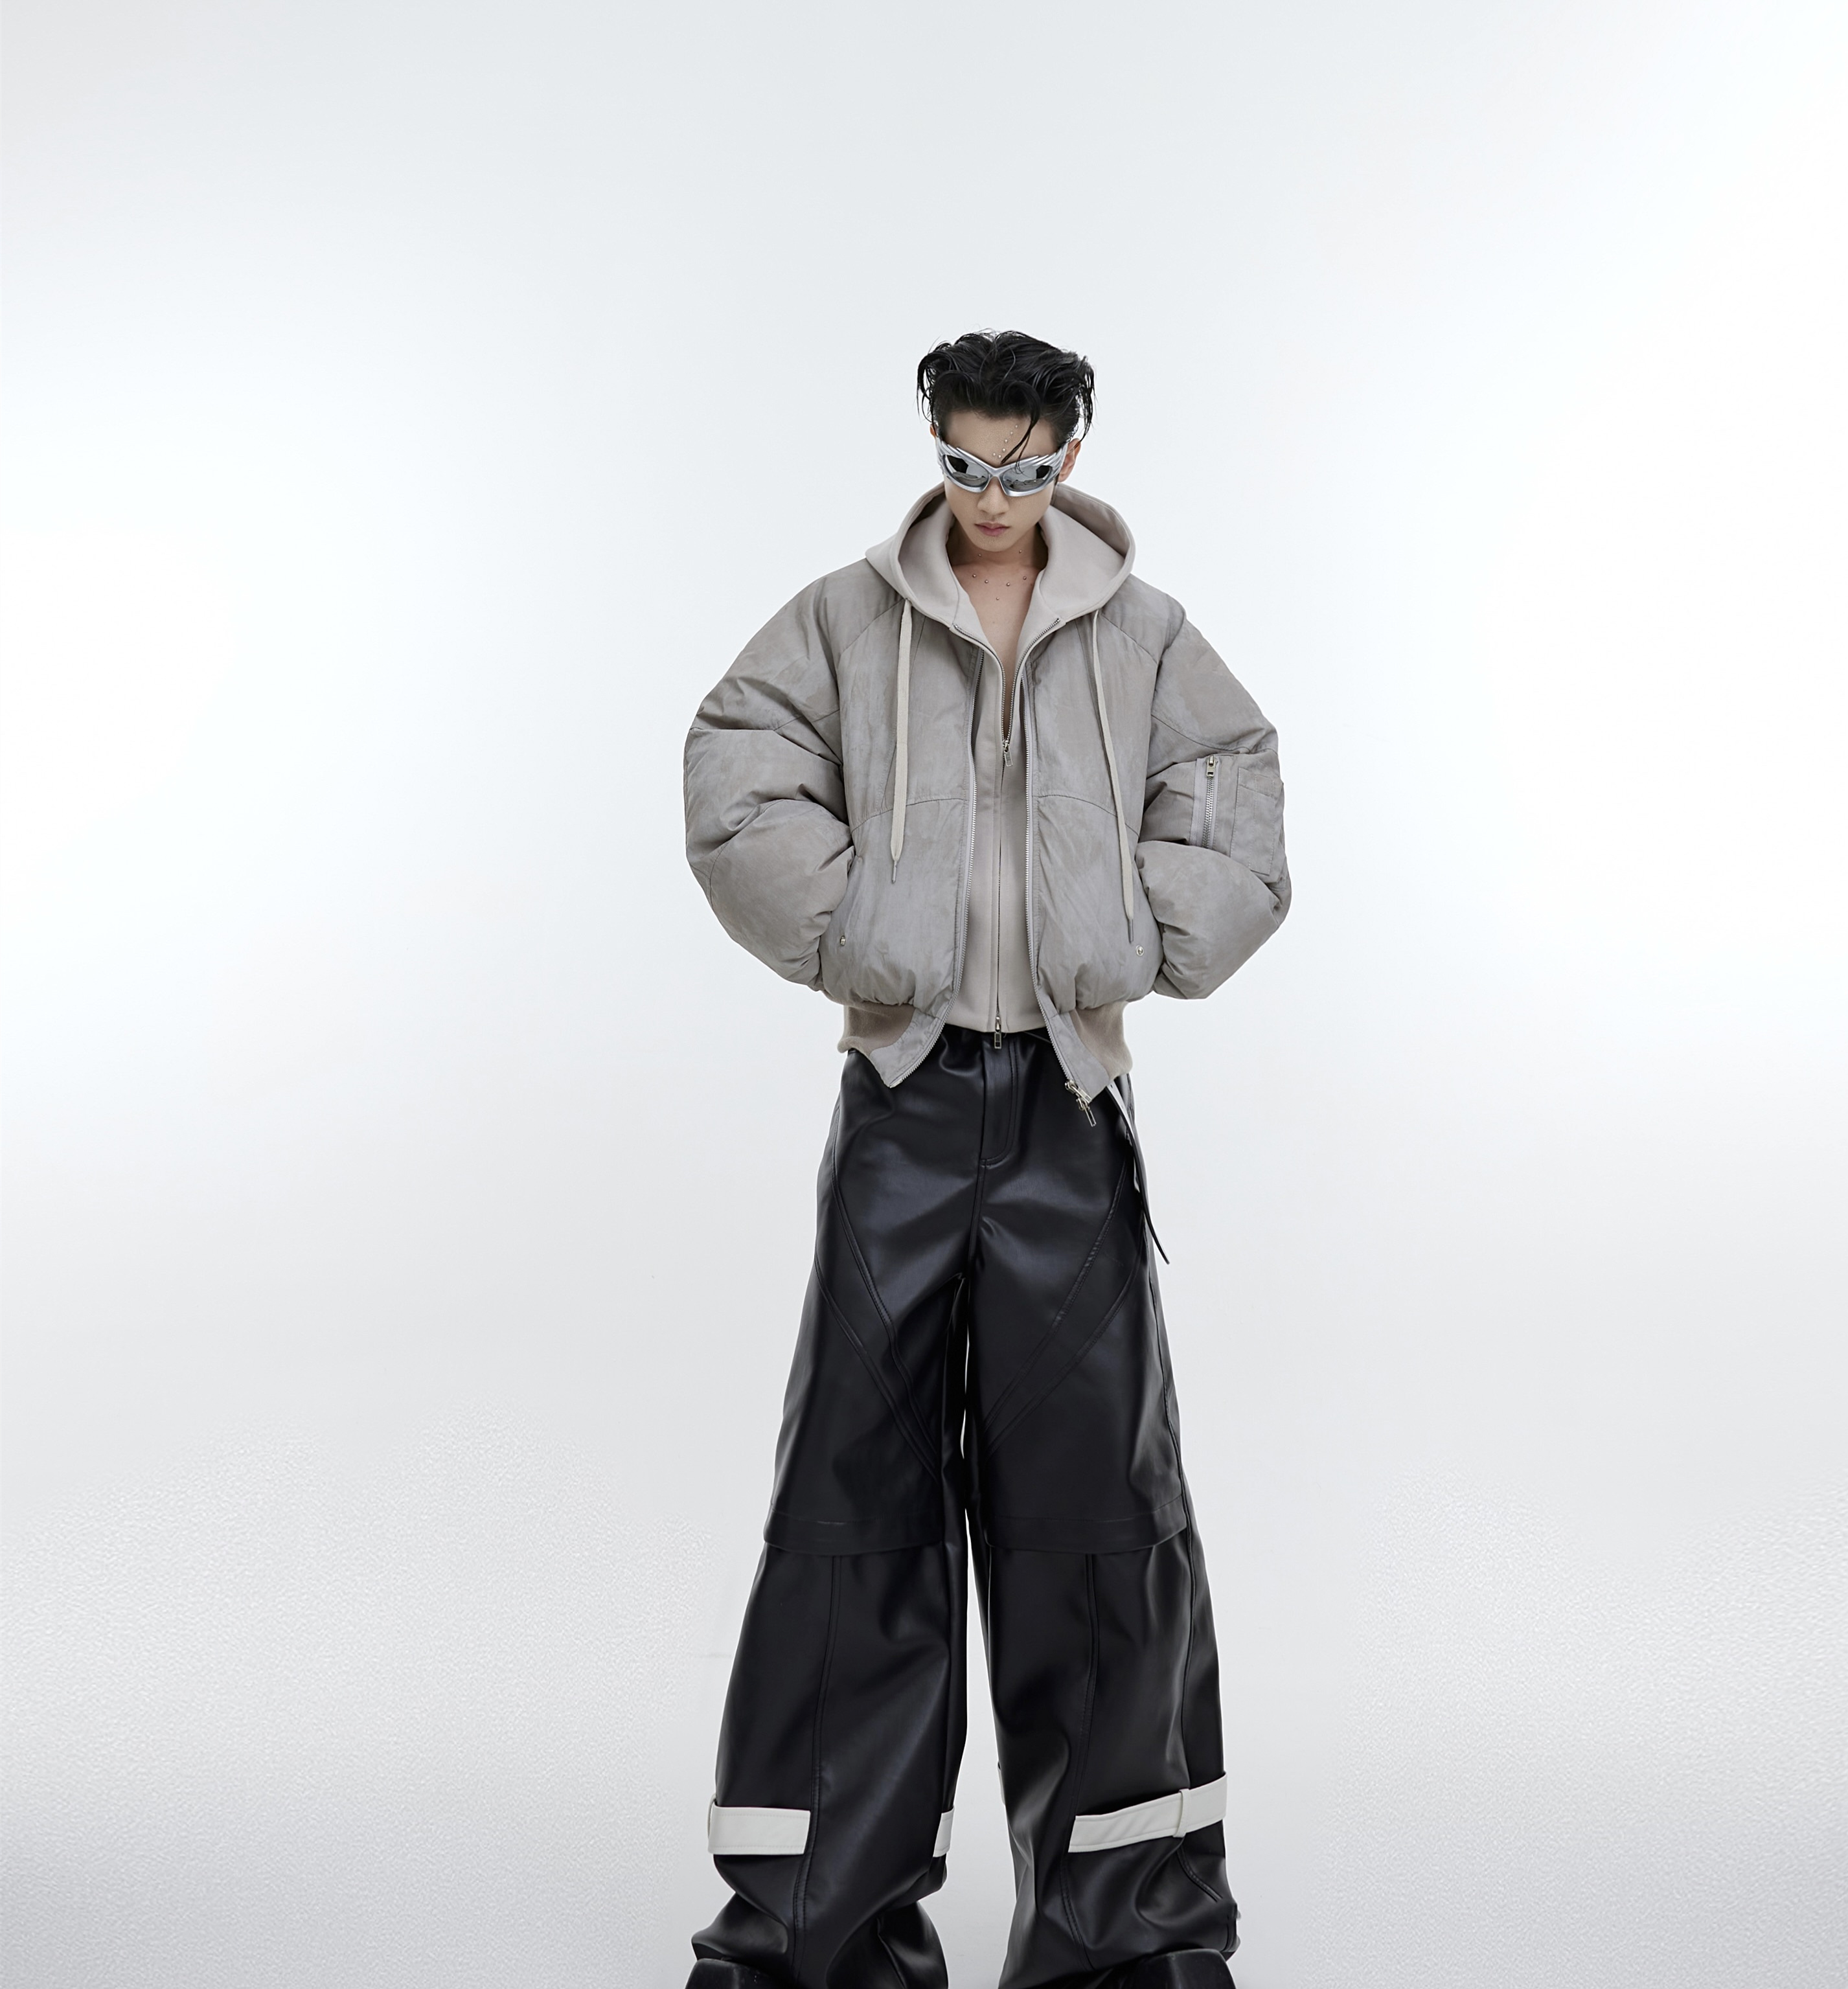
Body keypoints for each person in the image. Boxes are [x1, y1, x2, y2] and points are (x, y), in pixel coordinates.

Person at [681, 330, 1290, 1989]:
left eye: (1022, 470)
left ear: (1069, 455)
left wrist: (1144, 933)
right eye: (964, 465)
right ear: (933, 446)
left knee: (1099, 1516)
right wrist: (858, 931)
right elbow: (736, 768)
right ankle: (810, 1938)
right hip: (903, 1093)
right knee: (852, 1509)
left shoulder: (1145, 632)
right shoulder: (844, 618)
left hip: (1069, 1109)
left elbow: (1234, 782)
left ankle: (1127, 1942)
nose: (993, 498)